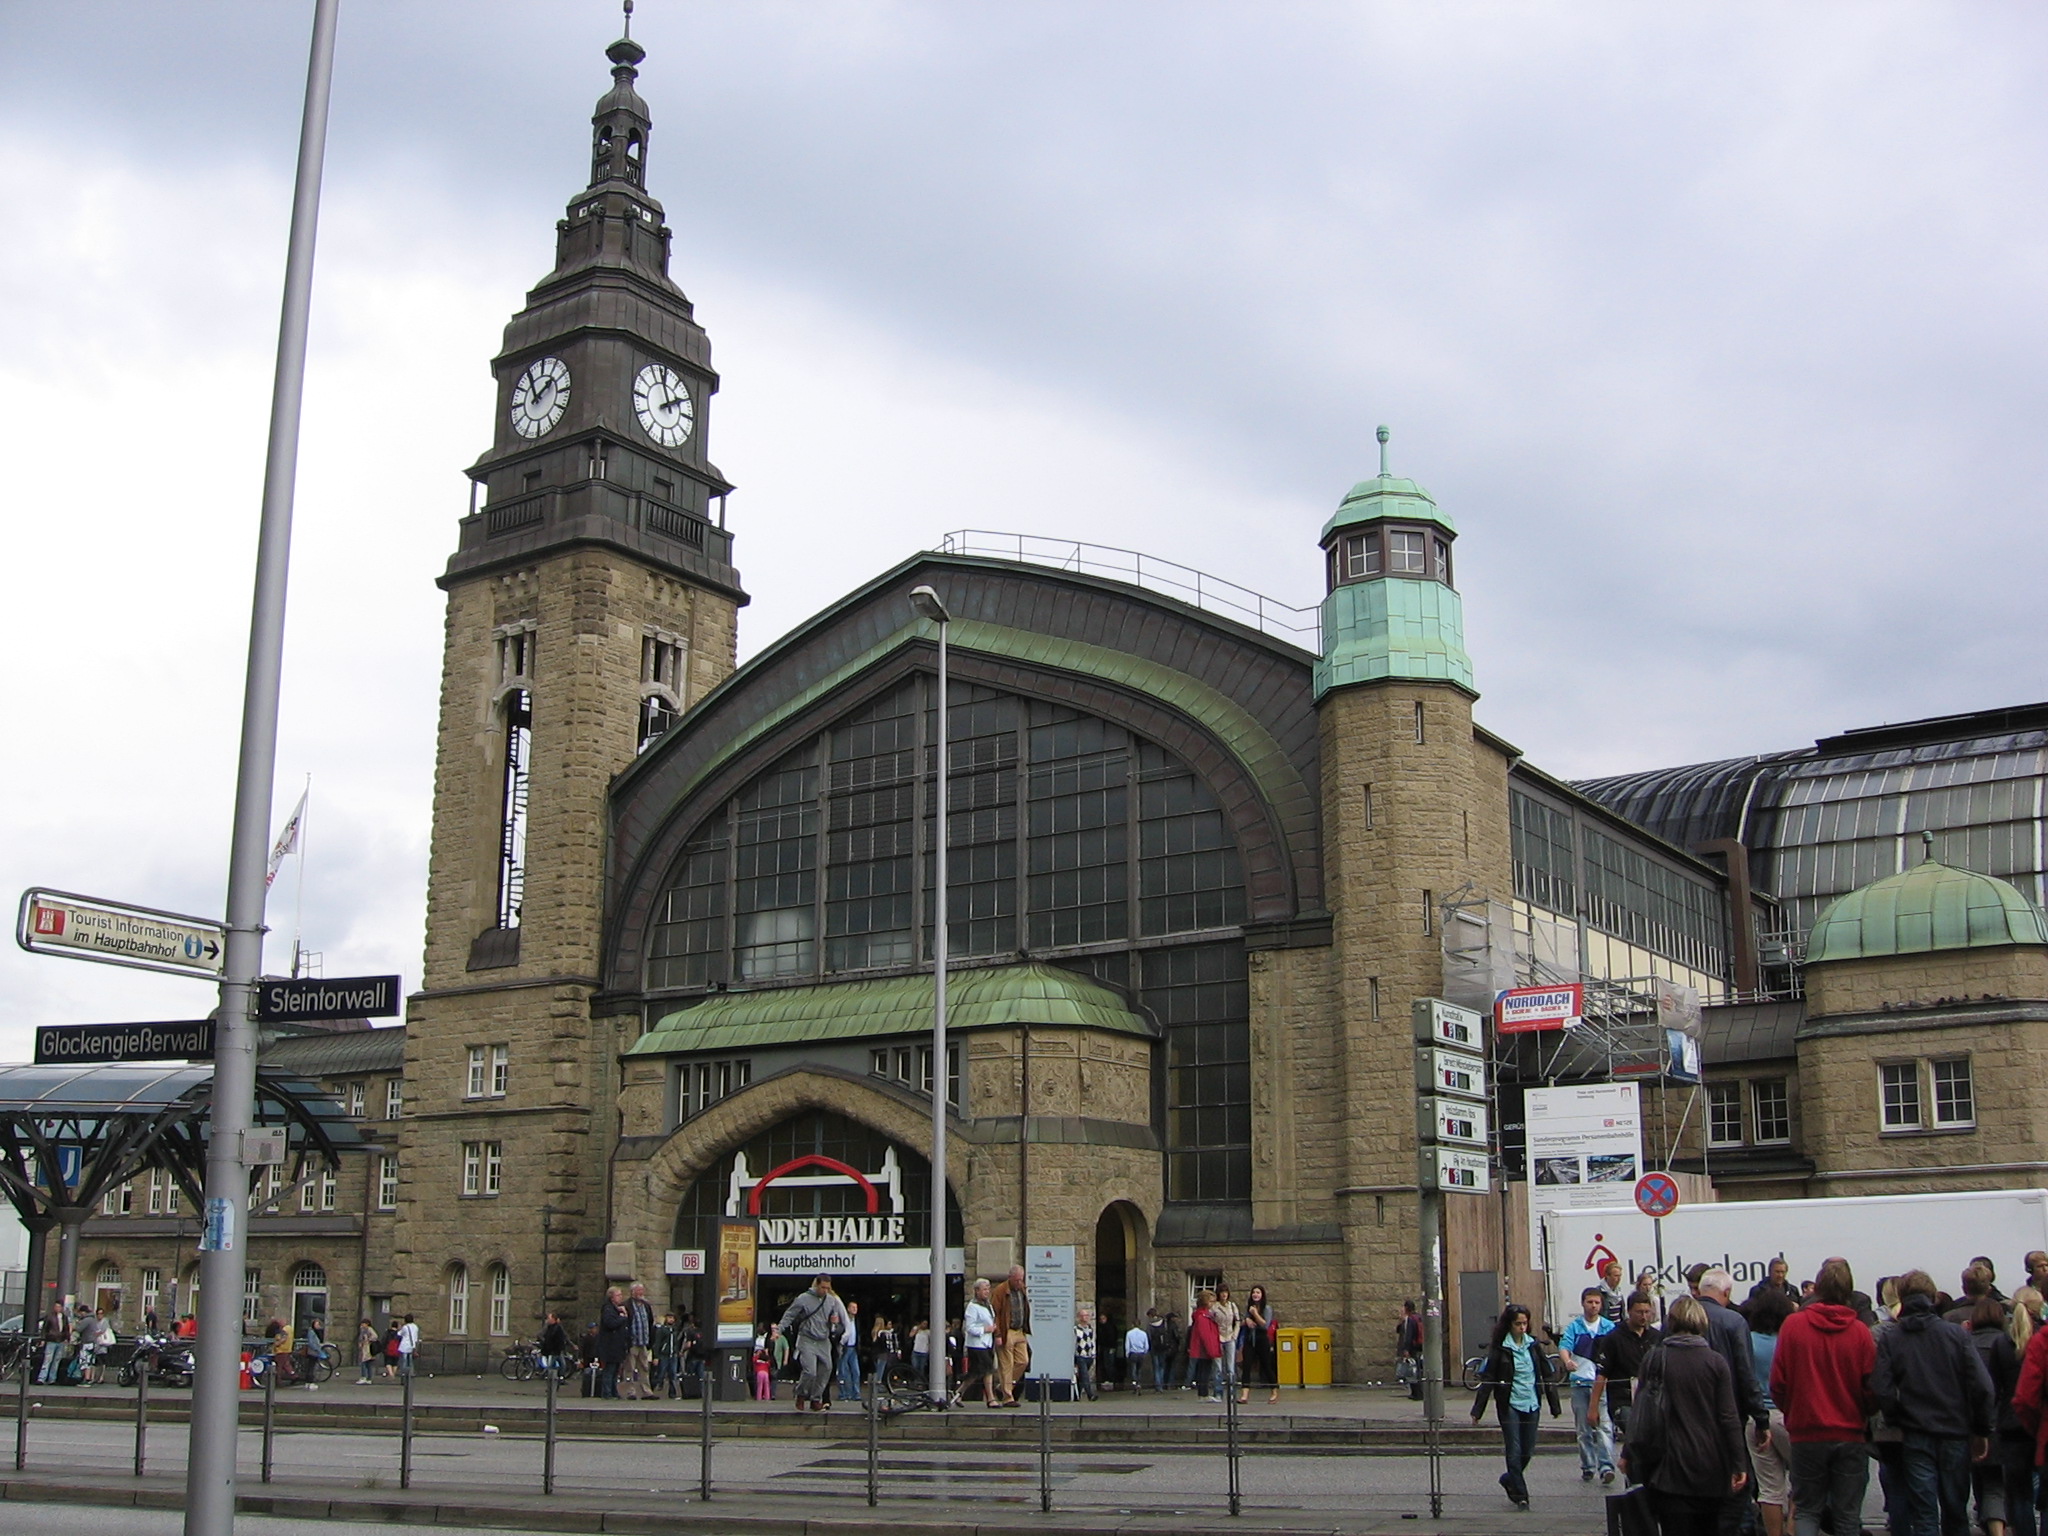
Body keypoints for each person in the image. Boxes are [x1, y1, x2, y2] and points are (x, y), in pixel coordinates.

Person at [1871, 1268, 1994, 1536]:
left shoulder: (1893, 1337)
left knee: (1924, 1513)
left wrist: (1894, 1417)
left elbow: (1882, 1387)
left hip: (1915, 1431)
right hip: (1954, 1431)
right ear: (1932, 1296)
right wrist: (1981, 1429)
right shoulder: (1956, 1335)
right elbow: (1982, 1387)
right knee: (1955, 1511)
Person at [1626, 1295, 1749, 1536]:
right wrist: (1738, 1463)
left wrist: (1629, 1453)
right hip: (1710, 1466)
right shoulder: (1715, 1362)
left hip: (1667, 1467)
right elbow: (1728, 1417)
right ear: (1702, 1323)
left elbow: (1641, 1410)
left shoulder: (1655, 1358)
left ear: (1671, 1322)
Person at [1770, 1257, 1875, 1536]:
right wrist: (1863, 1414)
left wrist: (1793, 1410)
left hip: (1807, 1431)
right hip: (1850, 1432)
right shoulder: (1860, 1333)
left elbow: (1778, 1382)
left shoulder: (1793, 1326)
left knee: (1807, 1510)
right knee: (1847, 1516)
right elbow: (1872, 1388)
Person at [1470, 1303, 1560, 1510]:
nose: (1522, 1328)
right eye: (1518, 1324)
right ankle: (1521, 1495)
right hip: (1509, 1402)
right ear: (1509, 1325)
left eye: (1525, 1323)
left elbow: (1547, 1374)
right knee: (1514, 1447)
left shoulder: (1533, 1345)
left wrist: (1555, 1406)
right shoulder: (1501, 1349)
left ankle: (1509, 1478)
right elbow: (1488, 1380)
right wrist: (1477, 1411)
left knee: (1527, 1449)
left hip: (1531, 1402)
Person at [1966, 1291, 2020, 1536]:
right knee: (1995, 1482)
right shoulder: (2008, 1343)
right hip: (2001, 1420)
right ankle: (1997, 1524)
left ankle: (1986, 1520)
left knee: (1978, 1477)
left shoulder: (1966, 1343)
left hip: (1968, 1421)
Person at [1745, 1289, 1797, 1536]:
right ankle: (1793, 1529)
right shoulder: (1788, 1341)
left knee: (1769, 1488)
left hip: (1756, 1418)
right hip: (1786, 1415)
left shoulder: (1748, 1341)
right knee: (1802, 1479)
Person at [1560, 1284, 1618, 1484]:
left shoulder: (1608, 1328)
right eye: (1589, 1302)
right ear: (1583, 1304)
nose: (1593, 1306)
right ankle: (1588, 1465)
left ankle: (1606, 1466)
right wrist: (1567, 1361)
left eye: (1597, 1302)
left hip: (1600, 1383)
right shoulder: (1575, 1327)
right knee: (1583, 1429)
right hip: (1580, 1383)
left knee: (1604, 1426)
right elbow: (1564, 1346)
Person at [1592, 1291, 1662, 1445]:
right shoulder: (1613, 1338)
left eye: (1646, 1312)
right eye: (1639, 1312)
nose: (1643, 1316)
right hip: (1623, 1400)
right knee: (1637, 1435)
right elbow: (1601, 1375)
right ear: (1629, 1311)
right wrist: (1593, 1408)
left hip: (1651, 1399)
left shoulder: (1656, 1338)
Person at [2000, 1288, 2042, 1536]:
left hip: (2011, 1425)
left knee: (2019, 1494)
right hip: (2039, 1424)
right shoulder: (2042, 1342)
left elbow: (1995, 1386)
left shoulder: (2002, 1344)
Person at [780, 1274, 852, 1413]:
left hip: (823, 1340)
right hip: (807, 1338)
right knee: (810, 1371)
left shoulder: (831, 1300)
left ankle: (815, 1399)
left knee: (826, 1368)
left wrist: (834, 1324)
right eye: (823, 1287)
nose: (825, 1290)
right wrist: (779, 1329)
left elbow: (835, 1323)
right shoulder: (803, 1298)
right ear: (816, 1285)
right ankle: (801, 1394)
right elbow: (789, 1315)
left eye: (827, 1288)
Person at [989, 1266, 1031, 1408]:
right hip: (1007, 1330)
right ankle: (1007, 1397)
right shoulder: (1000, 1291)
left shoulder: (1022, 1289)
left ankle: (1003, 1386)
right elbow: (995, 1314)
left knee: (1023, 1361)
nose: (1020, 1283)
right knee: (1007, 1364)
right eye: (1017, 1280)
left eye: (1021, 1279)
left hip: (1019, 1330)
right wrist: (998, 1334)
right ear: (1010, 1278)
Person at [963, 1278, 999, 1407]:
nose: (987, 1292)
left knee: (975, 1373)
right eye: (984, 1289)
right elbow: (970, 1327)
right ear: (976, 1291)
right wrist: (985, 1329)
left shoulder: (987, 1305)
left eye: (988, 1289)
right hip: (977, 1345)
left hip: (987, 1343)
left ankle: (958, 1393)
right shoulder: (972, 1307)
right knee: (988, 1369)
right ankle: (991, 1398)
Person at [617, 1281, 655, 1400]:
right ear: (632, 1292)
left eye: (641, 1290)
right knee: (630, 1368)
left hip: (643, 1341)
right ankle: (630, 1391)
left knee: (644, 1367)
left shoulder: (646, 1306)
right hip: (632, 1342)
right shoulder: (626, 1305)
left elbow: (650, 1322)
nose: (640, 1293)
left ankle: (647, 1391)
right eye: (638, 1291)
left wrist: (650, 1341)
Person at [1241, 1285, 1278, 1405]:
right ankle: (1244, 1395)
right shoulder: (1249, 1308)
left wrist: (1255, 1314)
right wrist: (1246, 1320)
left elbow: (1265, 1325)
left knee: (1266, 1365)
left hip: (1262, 1339)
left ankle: (1274, 1391)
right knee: (1246, 1365)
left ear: (1262, 1295)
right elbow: (1242, 1321)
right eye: (1253, 1292)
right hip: (1250, 1339)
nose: (1255, 1294)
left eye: (1258, 1292)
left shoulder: (1267, 1308)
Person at [1187, 1288, 1224, 1403]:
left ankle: (1203, 1393)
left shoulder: (1203, 1315)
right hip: (1205, 1349)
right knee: (1204, 1372)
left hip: (1204, 1349)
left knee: (1203, 1370)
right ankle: (1203, 1394)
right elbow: (1206, 1335)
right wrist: (1212, 1351)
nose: (1213, 1304)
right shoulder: (1202, 1316)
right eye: (1211, 1301)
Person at [596, 1287, 631, 1399]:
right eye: (618, 1295)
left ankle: (613, 1391)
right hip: (610, 1346)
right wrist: (622, 1318)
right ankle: (607, 1392)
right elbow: (610, 1323)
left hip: (618, 1345)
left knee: (616, 1370)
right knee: (609, 1370)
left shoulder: (617, 1309)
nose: (621, 1297)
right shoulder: (608, 1309)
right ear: (611, 1297)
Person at [1213, 1285, 1242, 1397]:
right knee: (1218, 1367)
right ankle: (1218, 1392)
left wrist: (1235, 1335)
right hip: (1218, 1337)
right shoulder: (1215, 1307)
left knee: (1230, 1366)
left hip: (1230, 1337)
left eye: (1226, 1292)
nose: (1224, 1294)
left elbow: (1238, 1321)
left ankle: (1231, 1392)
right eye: (1222, 1292)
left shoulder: (1232, 1306)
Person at [834, 1299, 863, 1404]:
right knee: (843, 1371)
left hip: (853, 1348)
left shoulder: (856, 1320)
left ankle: (856, 1393)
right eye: (852, 1307)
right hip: (845, 1347)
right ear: (848, 1308)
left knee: (856, 1371)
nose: (855, 1309)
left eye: (856, 1307)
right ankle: (844, 1393)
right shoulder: (843, 1320)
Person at [1396, 1299, 1425, 1399]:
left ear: (1406, 1308)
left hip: (1413, 1347)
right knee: (1418, 1370)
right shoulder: (1419, 1317)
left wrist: (1406, 1349)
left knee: (1412, 1371)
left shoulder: (1410, 1319)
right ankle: (1420, 1392)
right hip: (1420, 1346)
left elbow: (1408, 1335)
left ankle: (1416, 1393)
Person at [1123, 1313, 1152, 1393]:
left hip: (1133, 1353)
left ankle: (1134, 1383)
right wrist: (1145, 1352)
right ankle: (1139, 1383)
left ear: (1132, 1324)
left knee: (1133, 1369)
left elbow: (1127, 1345)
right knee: (1139, 1370)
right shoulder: (1143, 1333)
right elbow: (1146, 1345)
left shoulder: (1129, 1333)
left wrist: (1127, 1353)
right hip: (1141, 1353)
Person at [538, 1310, 570, 1379]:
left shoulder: (557, 1328)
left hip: (555, 1351)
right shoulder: (550, 1327)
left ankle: (558, 1378)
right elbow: (547, 1339)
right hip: (553, 1351)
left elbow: (560, 1339)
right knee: (559, 1364)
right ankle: (557, 1378)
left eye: (549, 1318)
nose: (547, 1320)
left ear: (553, 1319)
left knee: (557, 1365)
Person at [1075, 1305, 1098, 1401]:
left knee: (1082, 1376)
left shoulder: (1090, 1329)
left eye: (1087, 1315)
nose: (1086, 1317)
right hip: (1080, 1355)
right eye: (1083, 1315)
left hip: (1089, 1356)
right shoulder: (1075, 1329)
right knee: (1085, 1375)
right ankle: (1090, 1394)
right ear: (1079, 1317)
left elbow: (1092, 1341)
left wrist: (1093, 1353)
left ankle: (1077, 1395)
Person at [1599, 1259, 1630, 1323]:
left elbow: (1622, 1314)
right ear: (1607, 1275)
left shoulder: (1619, 1293)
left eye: (1620, 1276)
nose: (1618, 1279)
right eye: (1616, 1276)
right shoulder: (1599, 1292)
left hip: (1618, 1328)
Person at [396, 1313, 420, 1379]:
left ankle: (404, 1374)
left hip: (405, 1346)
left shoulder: (405, 1327)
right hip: (412, 1346)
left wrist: (399, 1328)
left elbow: (399, 1334)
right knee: (410, 1361)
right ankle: (411, 1373)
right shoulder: (415, 1327)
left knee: (404, 1361)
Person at [356, 1317, 379, 1385]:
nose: (362, 1325)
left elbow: (375, 1336)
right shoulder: (364, 1330)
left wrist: (368, 1340)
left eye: (364, 1323)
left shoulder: (369, 1329)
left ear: (367, 1324)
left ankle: (364, 1377)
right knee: (368, 1363)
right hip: (366, 1348)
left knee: (364, 1362)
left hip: (367, 1348)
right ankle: (369, 1378)